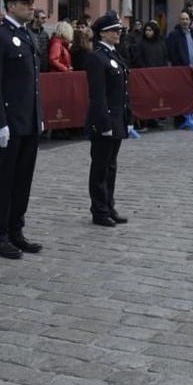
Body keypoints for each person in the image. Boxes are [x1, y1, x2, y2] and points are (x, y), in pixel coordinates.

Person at [0, 0, 44, 259]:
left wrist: (37, 115)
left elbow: (33, 83)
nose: (32, 7)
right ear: (11, 6)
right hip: (8, 121)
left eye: (32, 3)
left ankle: (16, 230)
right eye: (26, 3)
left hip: (28, 120)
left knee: (23, 180)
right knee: (4, 179)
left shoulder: (29, 35)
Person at [81, 12, 132, 226]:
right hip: (105, 120)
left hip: (117, 118)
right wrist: (103, 123)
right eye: (114, 30)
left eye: (119, 30)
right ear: (102, 33)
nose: (118, 33)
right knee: (100, 166)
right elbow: (98, 95)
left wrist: (127, 118)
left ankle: (109, 204)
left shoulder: (114, 55)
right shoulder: (97, 57)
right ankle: (99, 210)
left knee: (111, 166)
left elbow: (124, 91)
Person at [164, 12, 193, 131]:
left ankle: (192, 117)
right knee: (181, 95)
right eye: (182, 19)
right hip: (181, 70)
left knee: (192, 93)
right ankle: (180, 120)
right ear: (179, 20)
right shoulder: (174, 35)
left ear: (190, 21)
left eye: (187, 19)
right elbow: (171, 52)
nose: (185, 21)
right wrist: (180, 64)